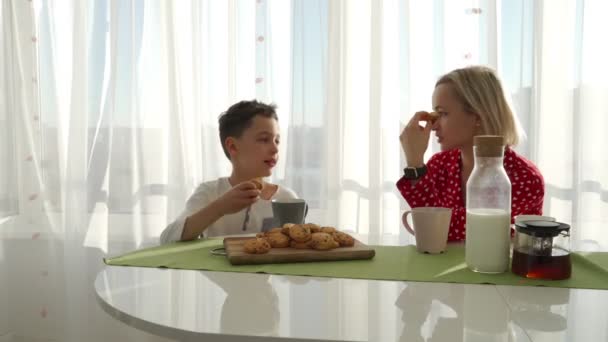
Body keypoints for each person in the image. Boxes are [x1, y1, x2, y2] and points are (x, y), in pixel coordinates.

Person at [397, 66, 544, 242]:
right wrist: (415, 164)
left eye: (442, 114)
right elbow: (429, 231)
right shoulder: (439, 165)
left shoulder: (525, 178)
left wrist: (415, 163)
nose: (434, 125)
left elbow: (475, 234)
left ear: (478, 116)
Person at [160, 100, 298, 244]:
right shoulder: (210, 192)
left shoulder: (287, 198)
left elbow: (300, 247)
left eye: (277, 140)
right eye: (264, 139)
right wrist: (219, 208)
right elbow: (167, 238)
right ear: (232, 146)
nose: (275, 149)